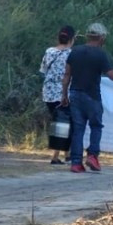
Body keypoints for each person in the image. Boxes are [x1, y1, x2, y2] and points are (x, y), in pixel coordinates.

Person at [60, 23, 113, 173]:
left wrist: (64, 95)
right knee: (96, 126)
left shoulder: (74, 51)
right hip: (92, 96)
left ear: (88, 35)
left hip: (75, 94)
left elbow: (66, 75)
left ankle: (76, 163)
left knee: (78, 129)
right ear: (102, 37)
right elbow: (112, 75)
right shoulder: (101, 54)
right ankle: (92, 156)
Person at [39, 25, 75, 165]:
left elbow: (43, 70)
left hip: (48, 92)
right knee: (63, 124)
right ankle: (55, 156)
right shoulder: (71, 54)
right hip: (63, 93)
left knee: (60, 122)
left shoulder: (49, 51)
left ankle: (67, 154)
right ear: (72, 39)